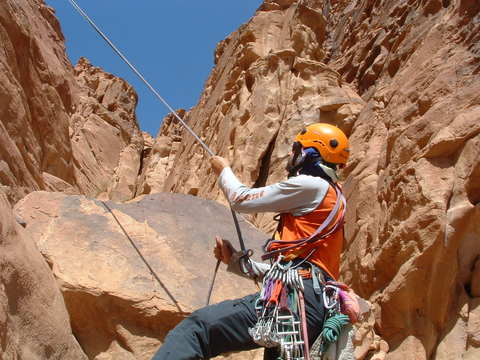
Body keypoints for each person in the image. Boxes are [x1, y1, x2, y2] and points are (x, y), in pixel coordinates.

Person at [152, 123, 349, 360]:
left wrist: (223, 170)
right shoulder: (334, 198)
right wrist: (236, 261)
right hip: (311, 304)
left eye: (297, 148)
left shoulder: (313, 185)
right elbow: (296, 272)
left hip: (297, 301)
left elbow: (241, 199)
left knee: (197, 330)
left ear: (310, 153)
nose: (291, 154)